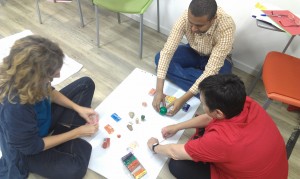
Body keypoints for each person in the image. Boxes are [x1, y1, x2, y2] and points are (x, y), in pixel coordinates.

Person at [147, 74, 288, 179]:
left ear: (219, 112)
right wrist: (177, 126)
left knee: (176, 165)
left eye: (203, 104)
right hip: (273, 168)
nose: (202, 106)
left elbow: (174, 152)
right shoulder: (243, 101)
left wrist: (154, 147)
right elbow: (210, 117)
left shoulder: (222, 139)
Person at [0, 35, 99, 179]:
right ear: (36, 77)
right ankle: (64, 136)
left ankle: (61, 135)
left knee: (86, 84)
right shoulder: (15, 107)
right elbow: (32, 146)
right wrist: (77, 132)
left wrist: (78, 108)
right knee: (75, 169)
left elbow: (50, 92)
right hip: (27, 151)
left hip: (39, 122)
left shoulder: (31, 80)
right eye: (52, 74)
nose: (58, 75)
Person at [153, 0, 235, 116]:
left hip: (219, 59)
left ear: (213, 19)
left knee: (220, 88)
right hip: (193, 52)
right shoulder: (185, 16)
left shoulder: (227, 26)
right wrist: (159, 90)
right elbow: (167, 52)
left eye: (199, 25)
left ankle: (198, 82)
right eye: (191, 23)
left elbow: (211, 70)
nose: (193, 29)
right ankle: (202, 86)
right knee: (159, 57)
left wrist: (182, 100)